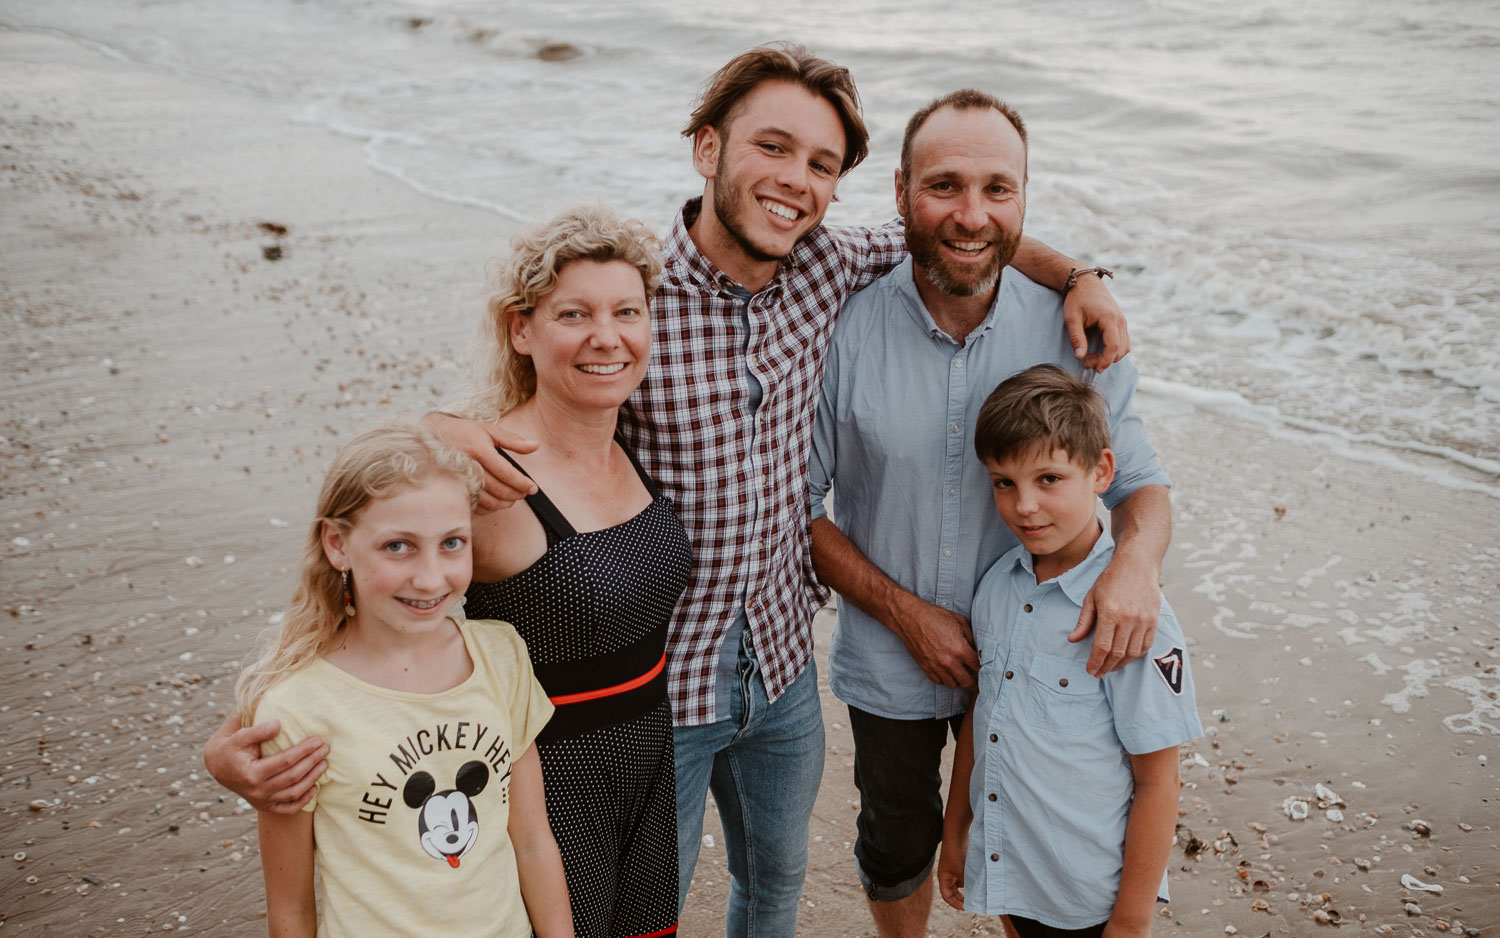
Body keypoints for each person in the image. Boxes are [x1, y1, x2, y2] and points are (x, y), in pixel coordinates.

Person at [207, 43, 1130, 938]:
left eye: (819, 163)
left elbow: (961, 230)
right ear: (708, 148)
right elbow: (462, 479)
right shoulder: (633, 299)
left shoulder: (829, 265)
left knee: (775, 887)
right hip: (660, 684)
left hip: (781, 669)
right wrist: (443, 430)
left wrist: (1081, 276)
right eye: (772, 147)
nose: (795, 181)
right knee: (642, 899)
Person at [807, 90, 1172, 938]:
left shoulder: (1078, 333)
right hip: (888, 655)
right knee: (895, 842)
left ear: (1024, 196)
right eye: (944, 186)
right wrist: (905, 614)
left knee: (1034, 840)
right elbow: (797, 509)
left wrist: (1135, 566)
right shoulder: (843, 324)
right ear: (899, 192)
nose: (972, 215)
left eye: (998, 189)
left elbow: (1141, 485)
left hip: (1045, 661)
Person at [450, 205, 692, 938]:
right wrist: (253, 734)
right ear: (521, 330)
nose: (606, 337)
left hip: (650, 770)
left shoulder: (632, 440)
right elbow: (355, 595)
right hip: (547, 791)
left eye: (627, 311)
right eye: (573, 314)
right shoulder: (490, 479)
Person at [240, 424, 571, 938]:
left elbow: (531, 841)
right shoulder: (298, 709)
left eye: (452, 543)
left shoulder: (500, 655)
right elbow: (291, 909)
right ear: (337, 545)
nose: (431, 577)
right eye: (398, 546)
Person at [936, 365, 1202, 936]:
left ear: (1101, 471)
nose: (1024, 506)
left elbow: (1159, 779)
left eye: (1049, 479)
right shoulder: (996, 587)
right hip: (1012, 871)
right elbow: (983, 721)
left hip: (1087, 896)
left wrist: (1130, 923)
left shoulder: (1130, 615)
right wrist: (955, 832)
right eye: (1003, 483)